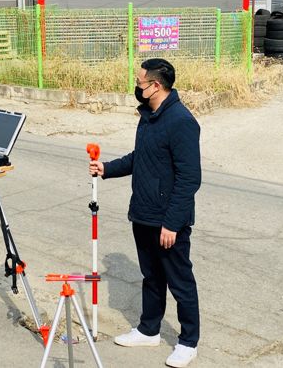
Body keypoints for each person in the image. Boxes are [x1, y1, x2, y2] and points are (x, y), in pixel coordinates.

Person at [89, 58, 202, 368]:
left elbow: (190, 178)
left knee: (180, 282)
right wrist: (107, 169)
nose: (136, 87)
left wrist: (172, 222)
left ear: (156, 86)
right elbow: (143, 158)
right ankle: (149, 329)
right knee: (151, 277)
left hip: (168, 220)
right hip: (143, 214)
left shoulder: (181, 121)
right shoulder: (149, 116)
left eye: (139, 83)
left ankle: (188, 342)